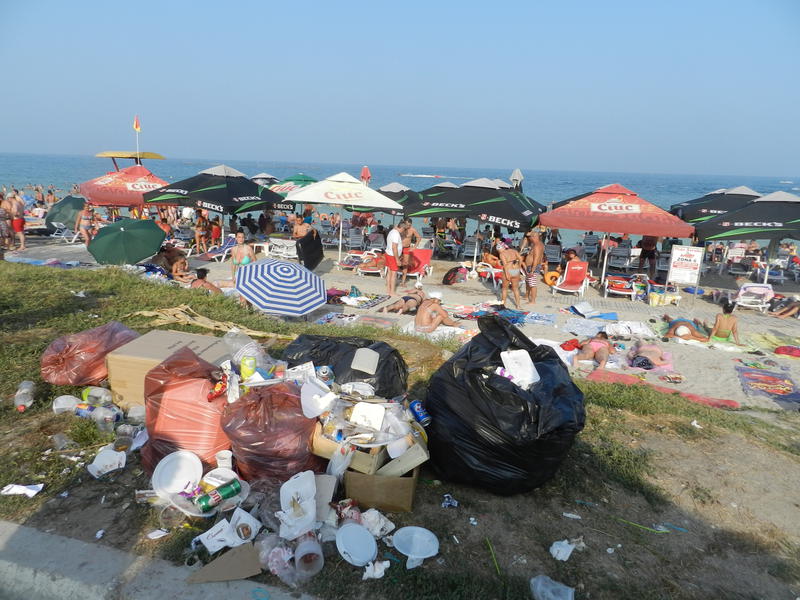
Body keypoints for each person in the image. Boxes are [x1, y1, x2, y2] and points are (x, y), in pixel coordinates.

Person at [520, 230, 546, 304]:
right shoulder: (538, 244)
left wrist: (532, 270)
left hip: (533, 267)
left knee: (532, 284)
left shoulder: (537, 246)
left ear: (534, 237)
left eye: (530, 237)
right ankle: (526, 296)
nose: (529, 239)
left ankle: (533, 301)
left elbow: (536, 258)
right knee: (528, 282)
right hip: (530, 266)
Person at [496, 240, 523, 309]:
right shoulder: (513, 251)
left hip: (508, 270)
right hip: (515, 270)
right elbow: (520, 258)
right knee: (516, 288)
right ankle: (518, 305)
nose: (498, 252)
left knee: (504, 289)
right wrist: (519, 267)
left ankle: (503, 304)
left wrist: (507, 275)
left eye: (498, 250)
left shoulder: (502, 254)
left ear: (501, 248)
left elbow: (505, 265)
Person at [385, 222, 407, 296]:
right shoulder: (396, 234)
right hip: (392, 255)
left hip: (388, 253)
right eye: (404, 230)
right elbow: (394, 247)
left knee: (389, 273)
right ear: (402, 228)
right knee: (394, 274)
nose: (403, 232)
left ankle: (388, 290)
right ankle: (392, 292)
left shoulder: (392, 231)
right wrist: (397, 259)